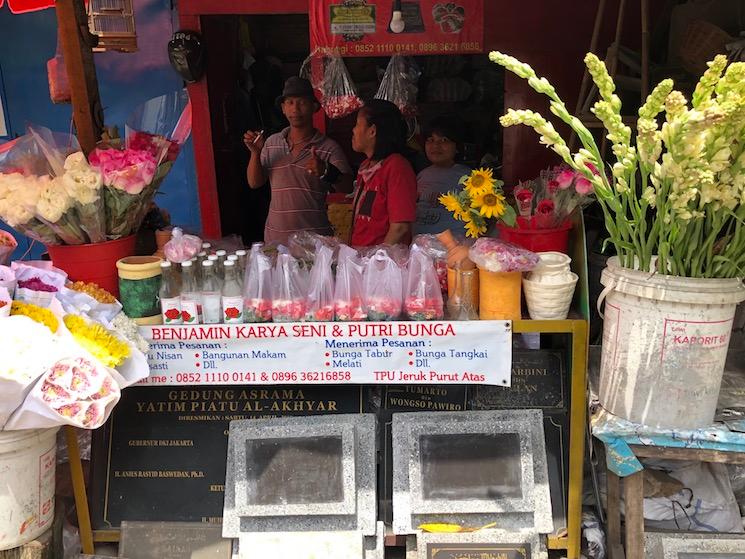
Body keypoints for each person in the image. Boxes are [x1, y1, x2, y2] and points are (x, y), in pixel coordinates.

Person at [243, 76, 353, 245]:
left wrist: (326, 171)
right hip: (276, 241)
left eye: (302, 102)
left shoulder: (328, 147)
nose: (295, 109)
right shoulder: (271, 143)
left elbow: (347, 187)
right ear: (283, 108)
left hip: (316, 242)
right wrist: (255, 153)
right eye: (290, 103)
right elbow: (254, 182)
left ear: (314, 107)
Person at [350, 99, 417, 247]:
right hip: (362, 262)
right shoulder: (366, 167)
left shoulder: (397, 166)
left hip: (383, 266)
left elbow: (400, 227)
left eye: (357, 124)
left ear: (372, 131)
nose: (353, 130)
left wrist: (378, 261)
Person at [414, 116, 470, 236]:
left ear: (457, 147)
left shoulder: (469, 178)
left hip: (454, 247)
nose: (436, 146)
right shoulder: (422, 175)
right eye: (430, 140)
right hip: (418, 247)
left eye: (444, 140)